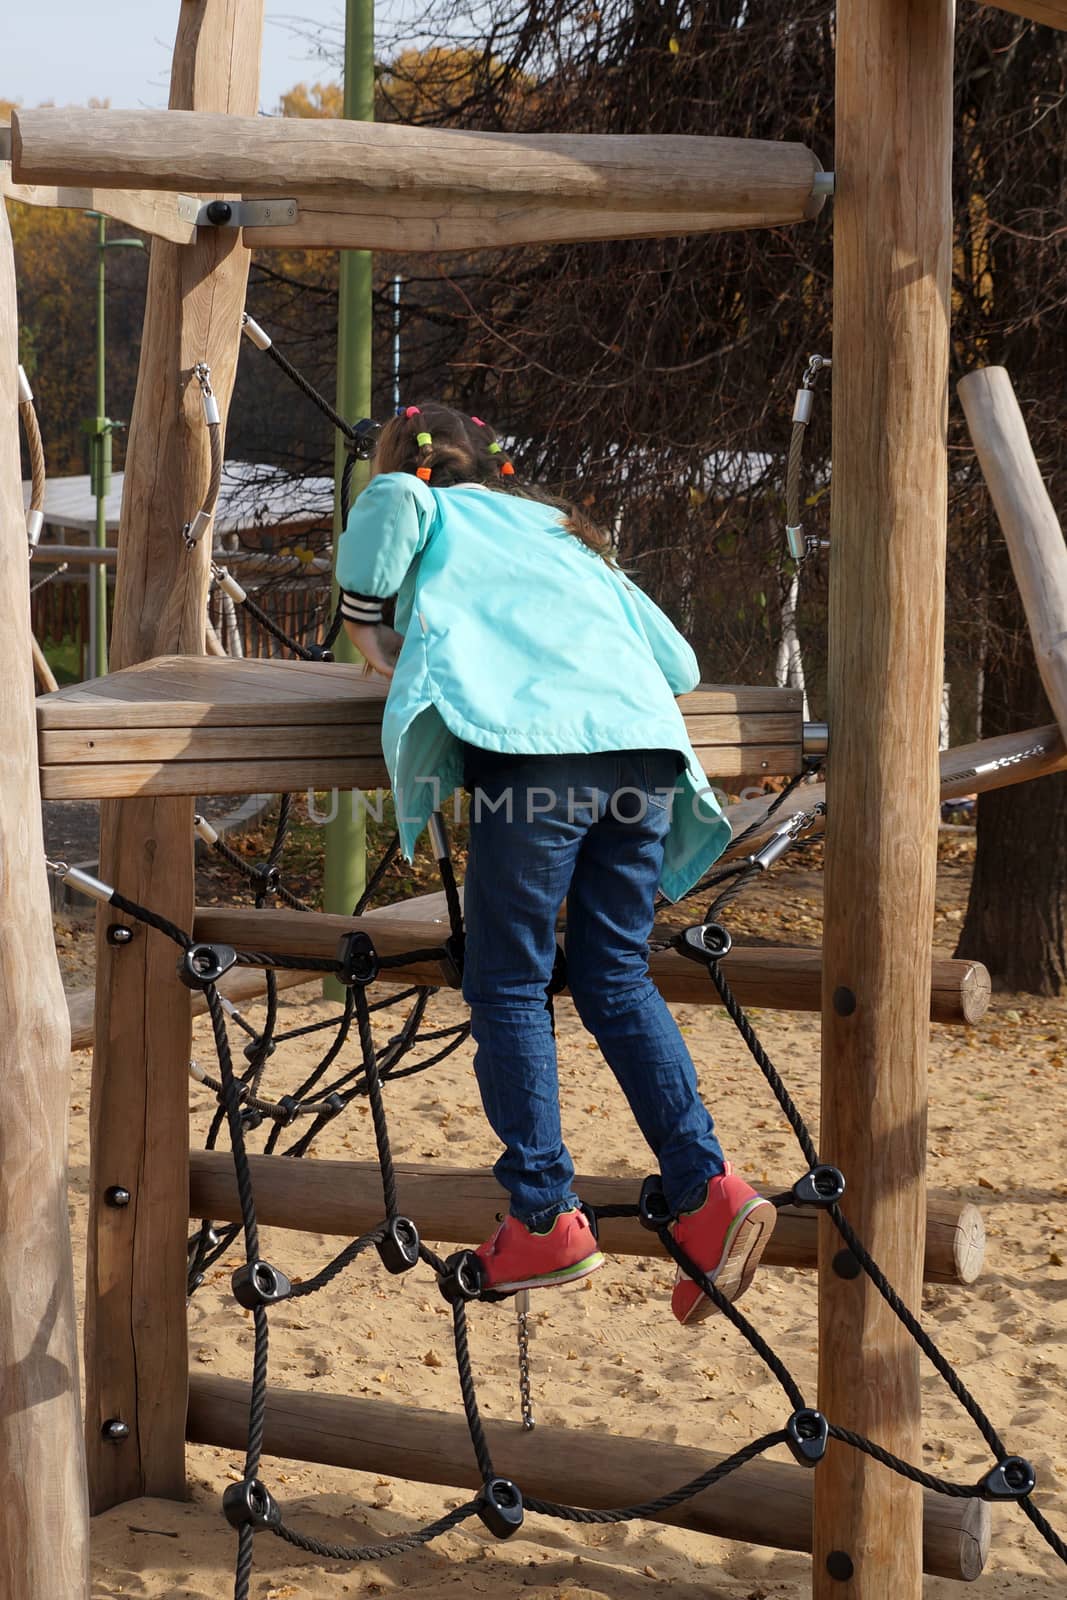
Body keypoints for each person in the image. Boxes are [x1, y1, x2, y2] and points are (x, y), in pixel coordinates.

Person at [336, 402, 776, 1323]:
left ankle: (543, 1213)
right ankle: (707, 1191)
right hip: (644, 755)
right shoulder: (565, 533)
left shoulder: (419, 507)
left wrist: (372, 634)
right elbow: (681, 663)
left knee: (507, 983)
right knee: (614, 973)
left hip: (538, 761)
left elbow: (387, 517)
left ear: (411, 471)